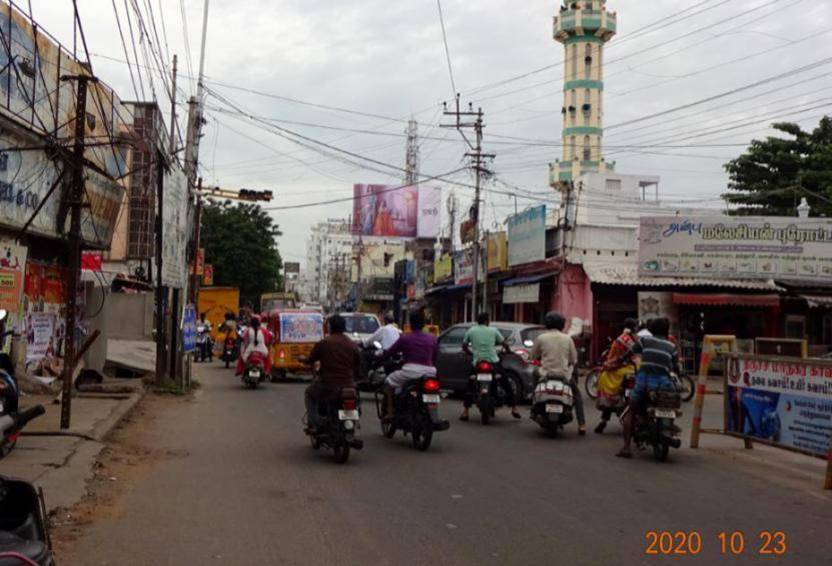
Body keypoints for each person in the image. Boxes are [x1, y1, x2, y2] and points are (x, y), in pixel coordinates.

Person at [617, 317, 680, 458]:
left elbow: (630, 353)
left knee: (631, 411)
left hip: (644, 381)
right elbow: (676, 368)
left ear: (651, 330)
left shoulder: (645, 341)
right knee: (669, 404)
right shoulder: (672, 346)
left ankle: (626, 448)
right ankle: (668, 428)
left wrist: (620, 359)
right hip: (665, 383)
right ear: (666, 331)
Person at [530, 311, 587, 435]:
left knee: (534, 373)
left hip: (544, 373)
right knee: (577, 395)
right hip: (564, 375)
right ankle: (582, 424)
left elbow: (532, 356)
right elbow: (573, 360)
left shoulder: (541, 338)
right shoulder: (568, 338)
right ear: (562, 324)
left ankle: (534, 400)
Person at [459, 312, 520, 421]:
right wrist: (508, 351)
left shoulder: (471, 331)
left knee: (470, 385)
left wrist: (471, 353)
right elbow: (504, 343)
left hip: (478, 362)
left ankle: (465, 411)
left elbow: (464, 346)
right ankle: (514, 408)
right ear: (487, 321)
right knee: (505, 383)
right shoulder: (493, 330)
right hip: (493, 362)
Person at [305, 315, 361, 431]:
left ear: (330, 327)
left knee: (310, 394)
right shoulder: (352, 344)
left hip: (328, 384)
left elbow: (311, 359)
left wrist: (304, 360)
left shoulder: (324, 343)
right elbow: (358, 365)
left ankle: (314, 424)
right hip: (349, 384)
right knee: (357, 400)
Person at [381, 311, 437, 420]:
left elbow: (390, 352)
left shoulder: (405, 338)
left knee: (388, 381)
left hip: (410, 371)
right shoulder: (432, 339)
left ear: (410, 324)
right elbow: (434, 358)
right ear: (424, 324)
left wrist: (381, 355)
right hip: (430, 372)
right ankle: (433, 413)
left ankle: (390, 411)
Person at [594, 318, 638, 434]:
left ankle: (604, 420)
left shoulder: (620, 339)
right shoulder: (638, 339)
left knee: (605, 379)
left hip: (620, 370)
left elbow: (613, 358)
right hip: (635, 369)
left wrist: (607, 365)